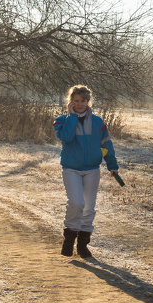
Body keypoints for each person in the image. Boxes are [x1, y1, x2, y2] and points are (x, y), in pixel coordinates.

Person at [52, 85, 120, 258]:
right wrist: (72, 116)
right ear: (70, 102)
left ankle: (82, 244)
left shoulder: (98, 122)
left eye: (83, 101)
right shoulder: (61, 121)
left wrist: (111, 163)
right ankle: (69, 239)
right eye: (76, 101)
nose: (80, 104)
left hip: (92, 170)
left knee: (89, 207)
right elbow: (66, 137)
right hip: (71, 169)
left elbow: (106, 144)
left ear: (88, 101)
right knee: (76, 203)